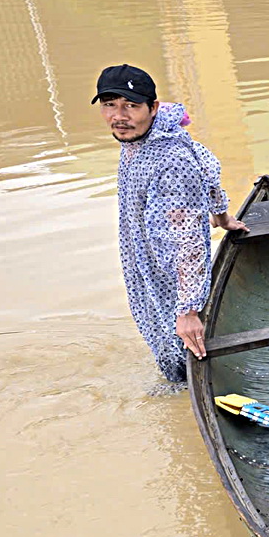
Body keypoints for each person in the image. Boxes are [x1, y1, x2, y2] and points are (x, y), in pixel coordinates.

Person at [100, 64, 242, 384]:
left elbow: (188, 241)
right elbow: (207, 167)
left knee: (175, 338)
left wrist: (188, 311)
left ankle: (180, 387)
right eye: (110, 105)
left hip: (167, 264)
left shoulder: (171, 160)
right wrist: (221, 215)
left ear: (153, 108)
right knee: (158, 324)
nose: (118, 116)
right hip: (143, 249)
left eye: (130, 106)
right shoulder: (144, 136)